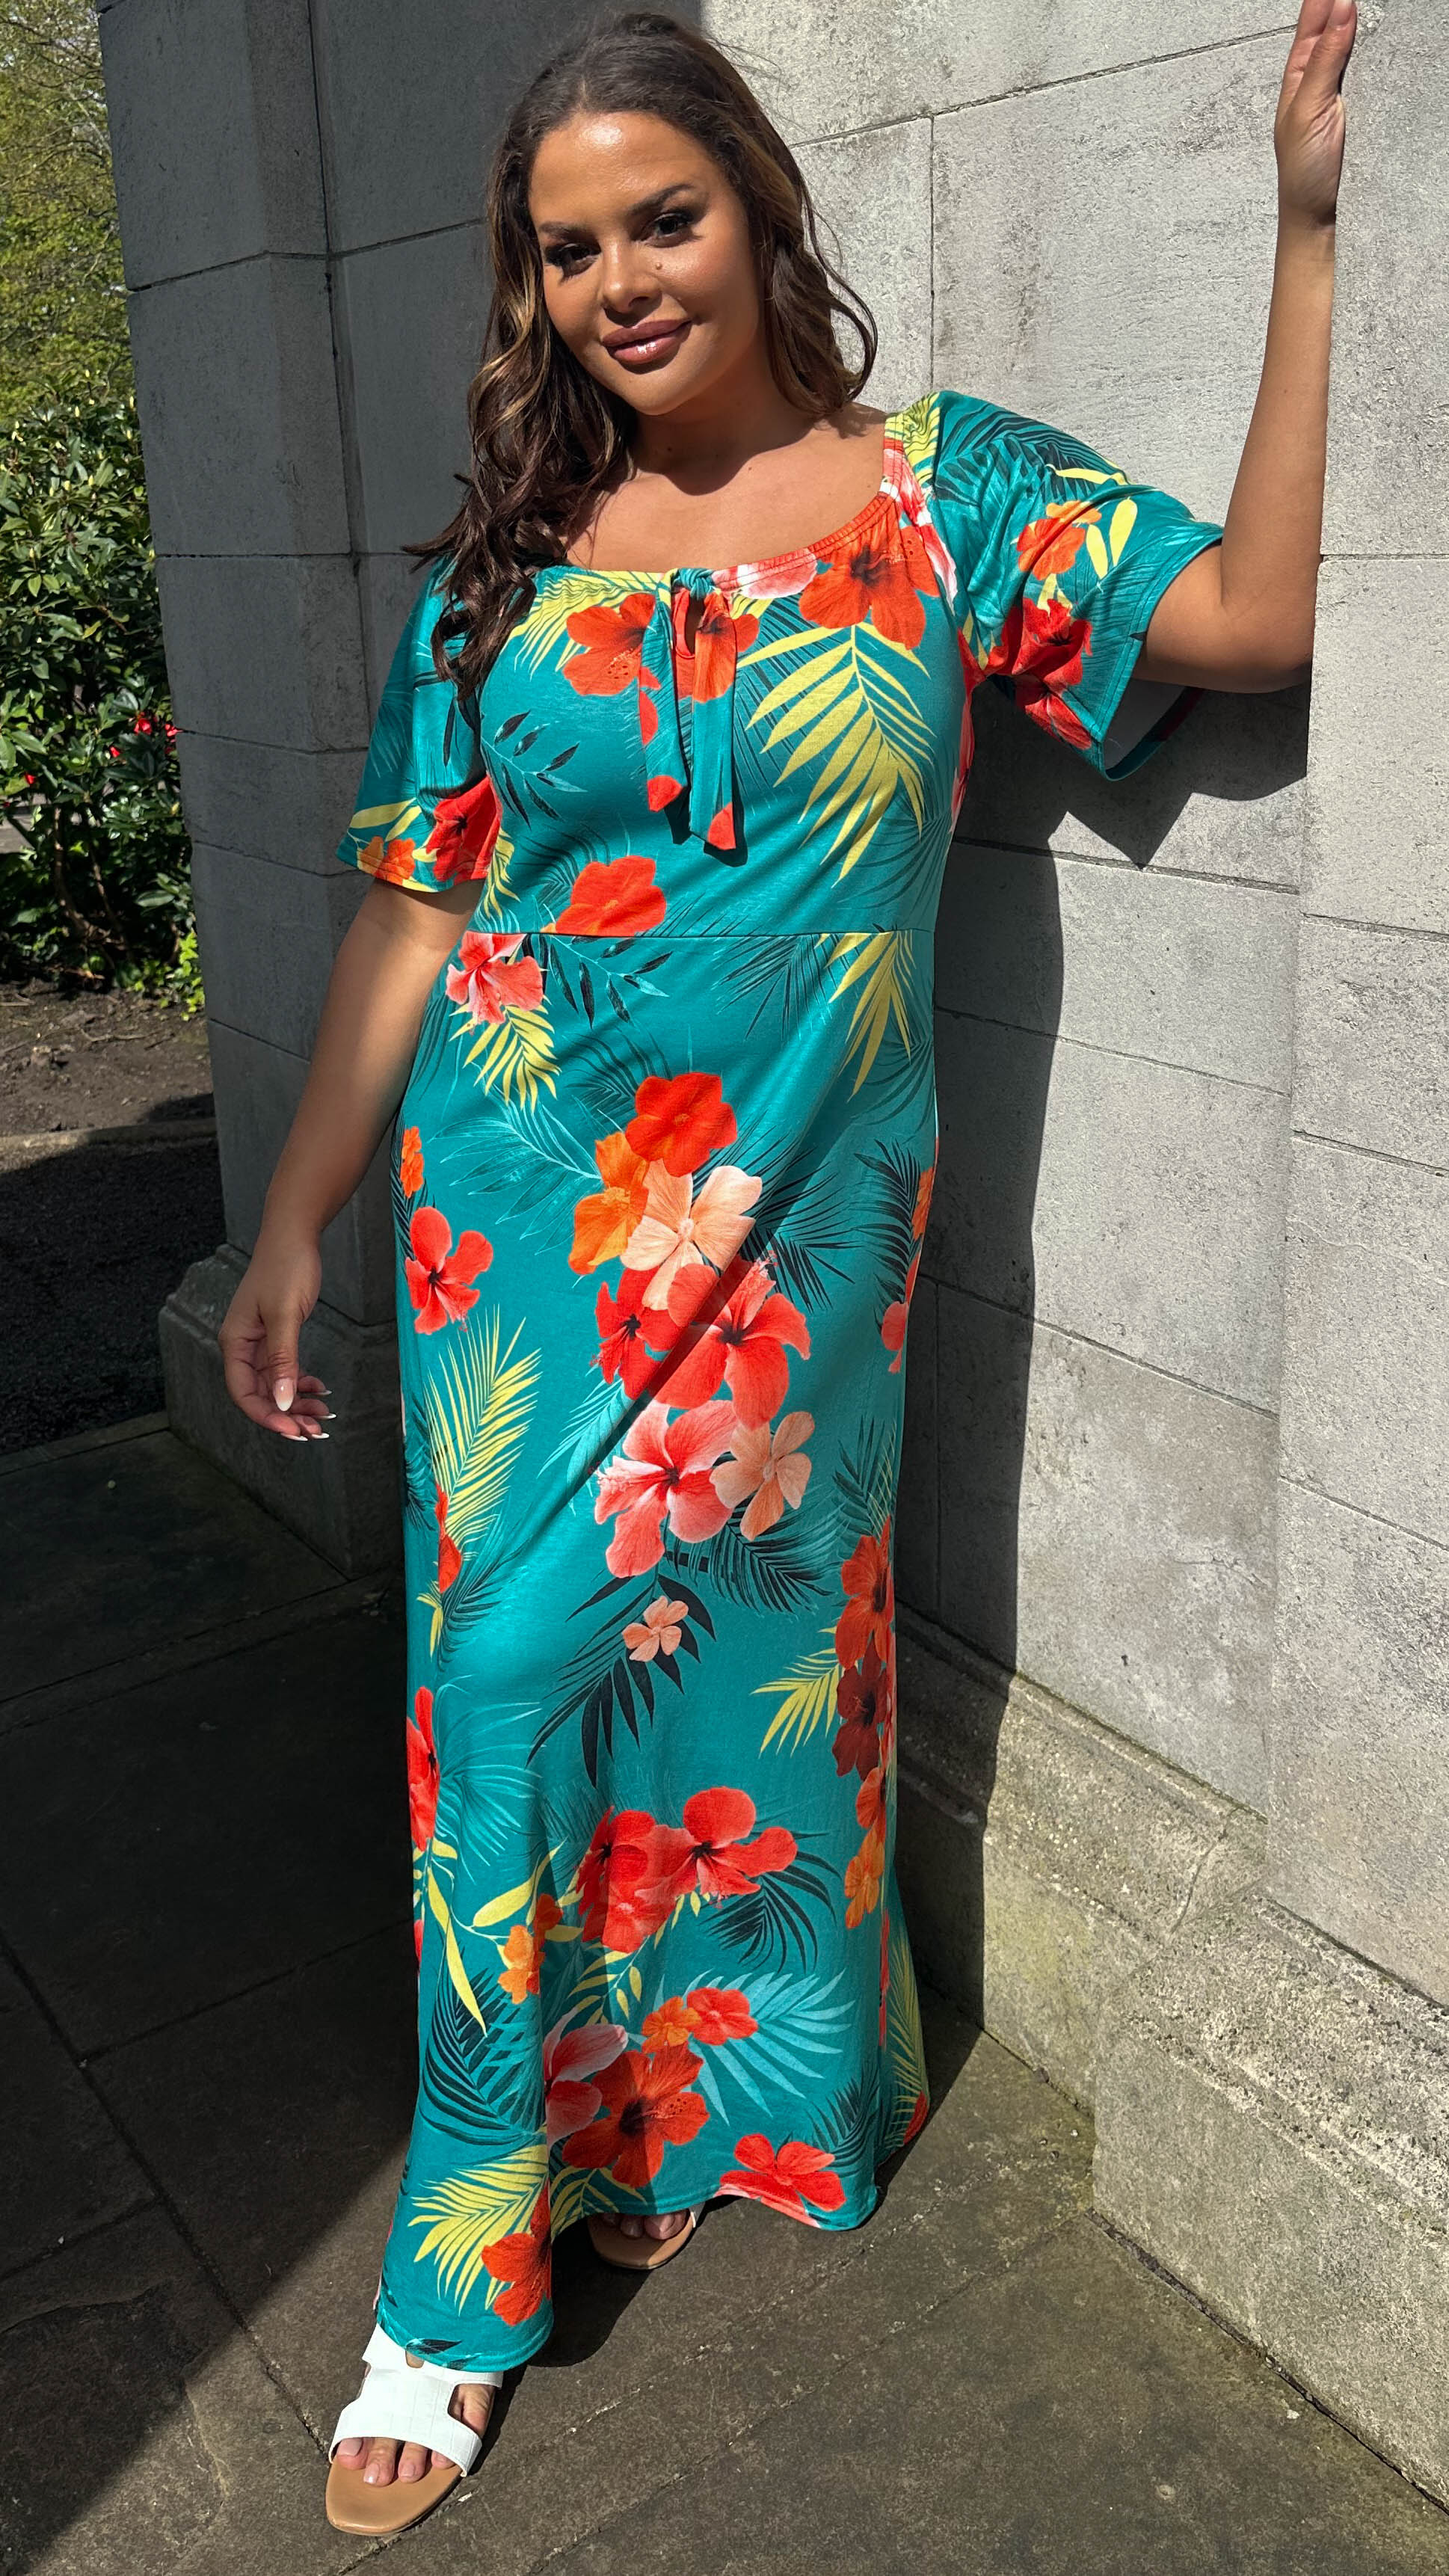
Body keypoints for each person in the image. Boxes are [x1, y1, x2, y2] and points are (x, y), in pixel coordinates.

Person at [216, 0, 1354, 2539]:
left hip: (804, 1228)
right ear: (530, 289)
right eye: (568, 250)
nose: (622, 280)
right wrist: (294, 1215)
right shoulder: (508, 562)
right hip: (519, 1223)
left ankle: (679, 2107)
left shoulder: (944, 494)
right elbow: (413, 907)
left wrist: (1303, 240)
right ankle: (462, 2258)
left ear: (757, 206)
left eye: (663, 217)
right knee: (502, 1687)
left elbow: (1258, 617)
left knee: (747, 1666)